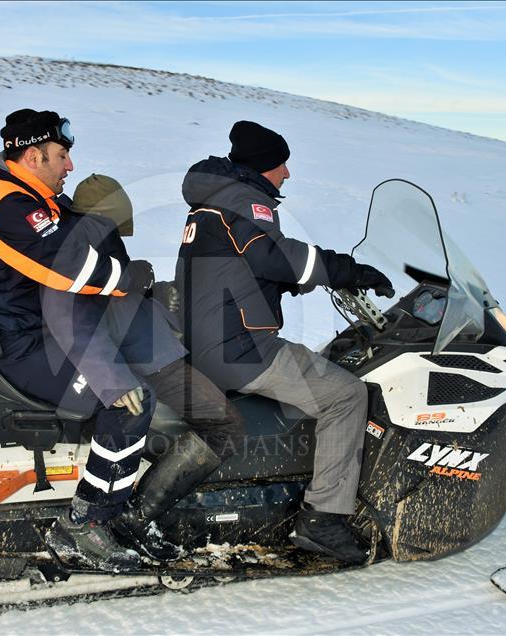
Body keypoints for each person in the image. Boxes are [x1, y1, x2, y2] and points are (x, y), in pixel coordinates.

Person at [175, 121, 394, 564]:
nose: (287, 174)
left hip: (210, 339)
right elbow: (277, 255)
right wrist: (348, 270)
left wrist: (290, 285)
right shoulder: (244, 201)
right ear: (263, 167)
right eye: (281, 164)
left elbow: (242, 266)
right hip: (238, 348)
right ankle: (324, 518)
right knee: (347, 394)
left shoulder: (211, 202)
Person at [0, 109, 156, 572]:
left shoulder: (29, 196)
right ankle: (87, 522)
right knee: (129, 402)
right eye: (62, 155)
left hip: (44, 329)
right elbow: (67, 266)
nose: (69, 166)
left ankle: (127, 495)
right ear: (33, 156)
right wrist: (126, 278)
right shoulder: (6, 205)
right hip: (26, 345)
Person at [41, 174, 245, 560]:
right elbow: (80, 313)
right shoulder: (95, 237)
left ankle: (131, 515)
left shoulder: (83, 238)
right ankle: (135, 519)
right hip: (151, 359)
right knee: (226, 425)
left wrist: (151, 288)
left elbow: (112, 298)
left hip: (148, 350)